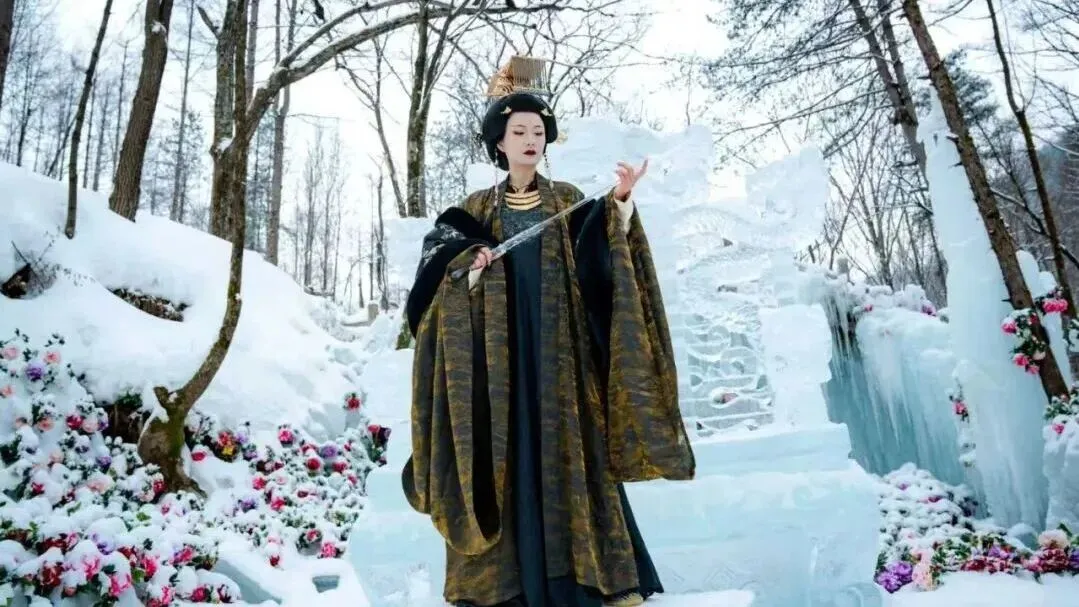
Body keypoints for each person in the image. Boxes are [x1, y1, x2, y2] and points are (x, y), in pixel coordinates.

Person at [401, 56, 695, 607]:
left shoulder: (567, 200)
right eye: (519, 132)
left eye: (537, 131)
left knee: (575, 457)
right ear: (500, 142)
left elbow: (601, 262)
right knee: (502, 457)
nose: (530, 140)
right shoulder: (473, 210)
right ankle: (501, 589)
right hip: (499, 367)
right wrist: (470, 265)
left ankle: (590, 580)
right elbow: (435, 282)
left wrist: (621, 205)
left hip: (562, 358)